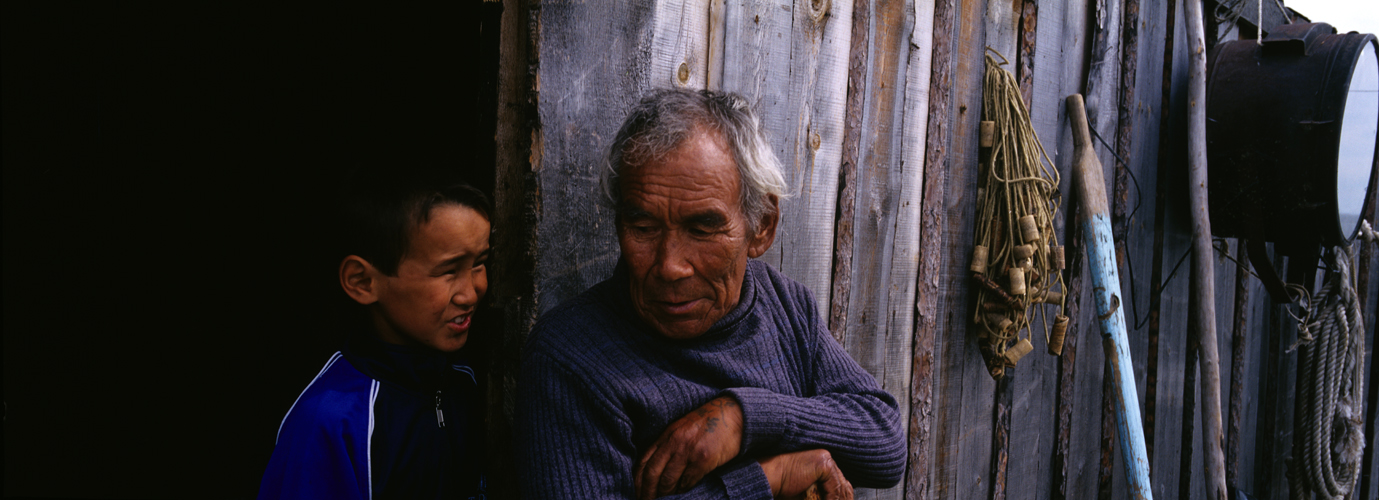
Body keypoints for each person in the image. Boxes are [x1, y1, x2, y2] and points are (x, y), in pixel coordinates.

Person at [516, 89, 906, 500]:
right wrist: (769, 479)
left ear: (762, 228)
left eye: (702, 229)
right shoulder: (569, 359)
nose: (670, 266)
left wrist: (744, 418)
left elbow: (884, 443)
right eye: (643, 227)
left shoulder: (784, 305)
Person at [258, 174, 491, 499]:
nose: (472, 292)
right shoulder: (329, 422)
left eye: (480, 263)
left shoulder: (464, 379)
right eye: (448, 271)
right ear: (363, 282)